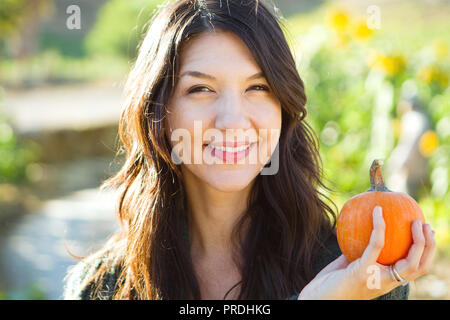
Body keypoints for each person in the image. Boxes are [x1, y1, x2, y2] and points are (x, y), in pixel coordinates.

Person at [63, 0, 435, 300]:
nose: (232, 121)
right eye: (201, 89)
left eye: (257, 88)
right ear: (159, 112)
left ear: (283, 108)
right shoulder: (101, 287)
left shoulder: (355, 273)